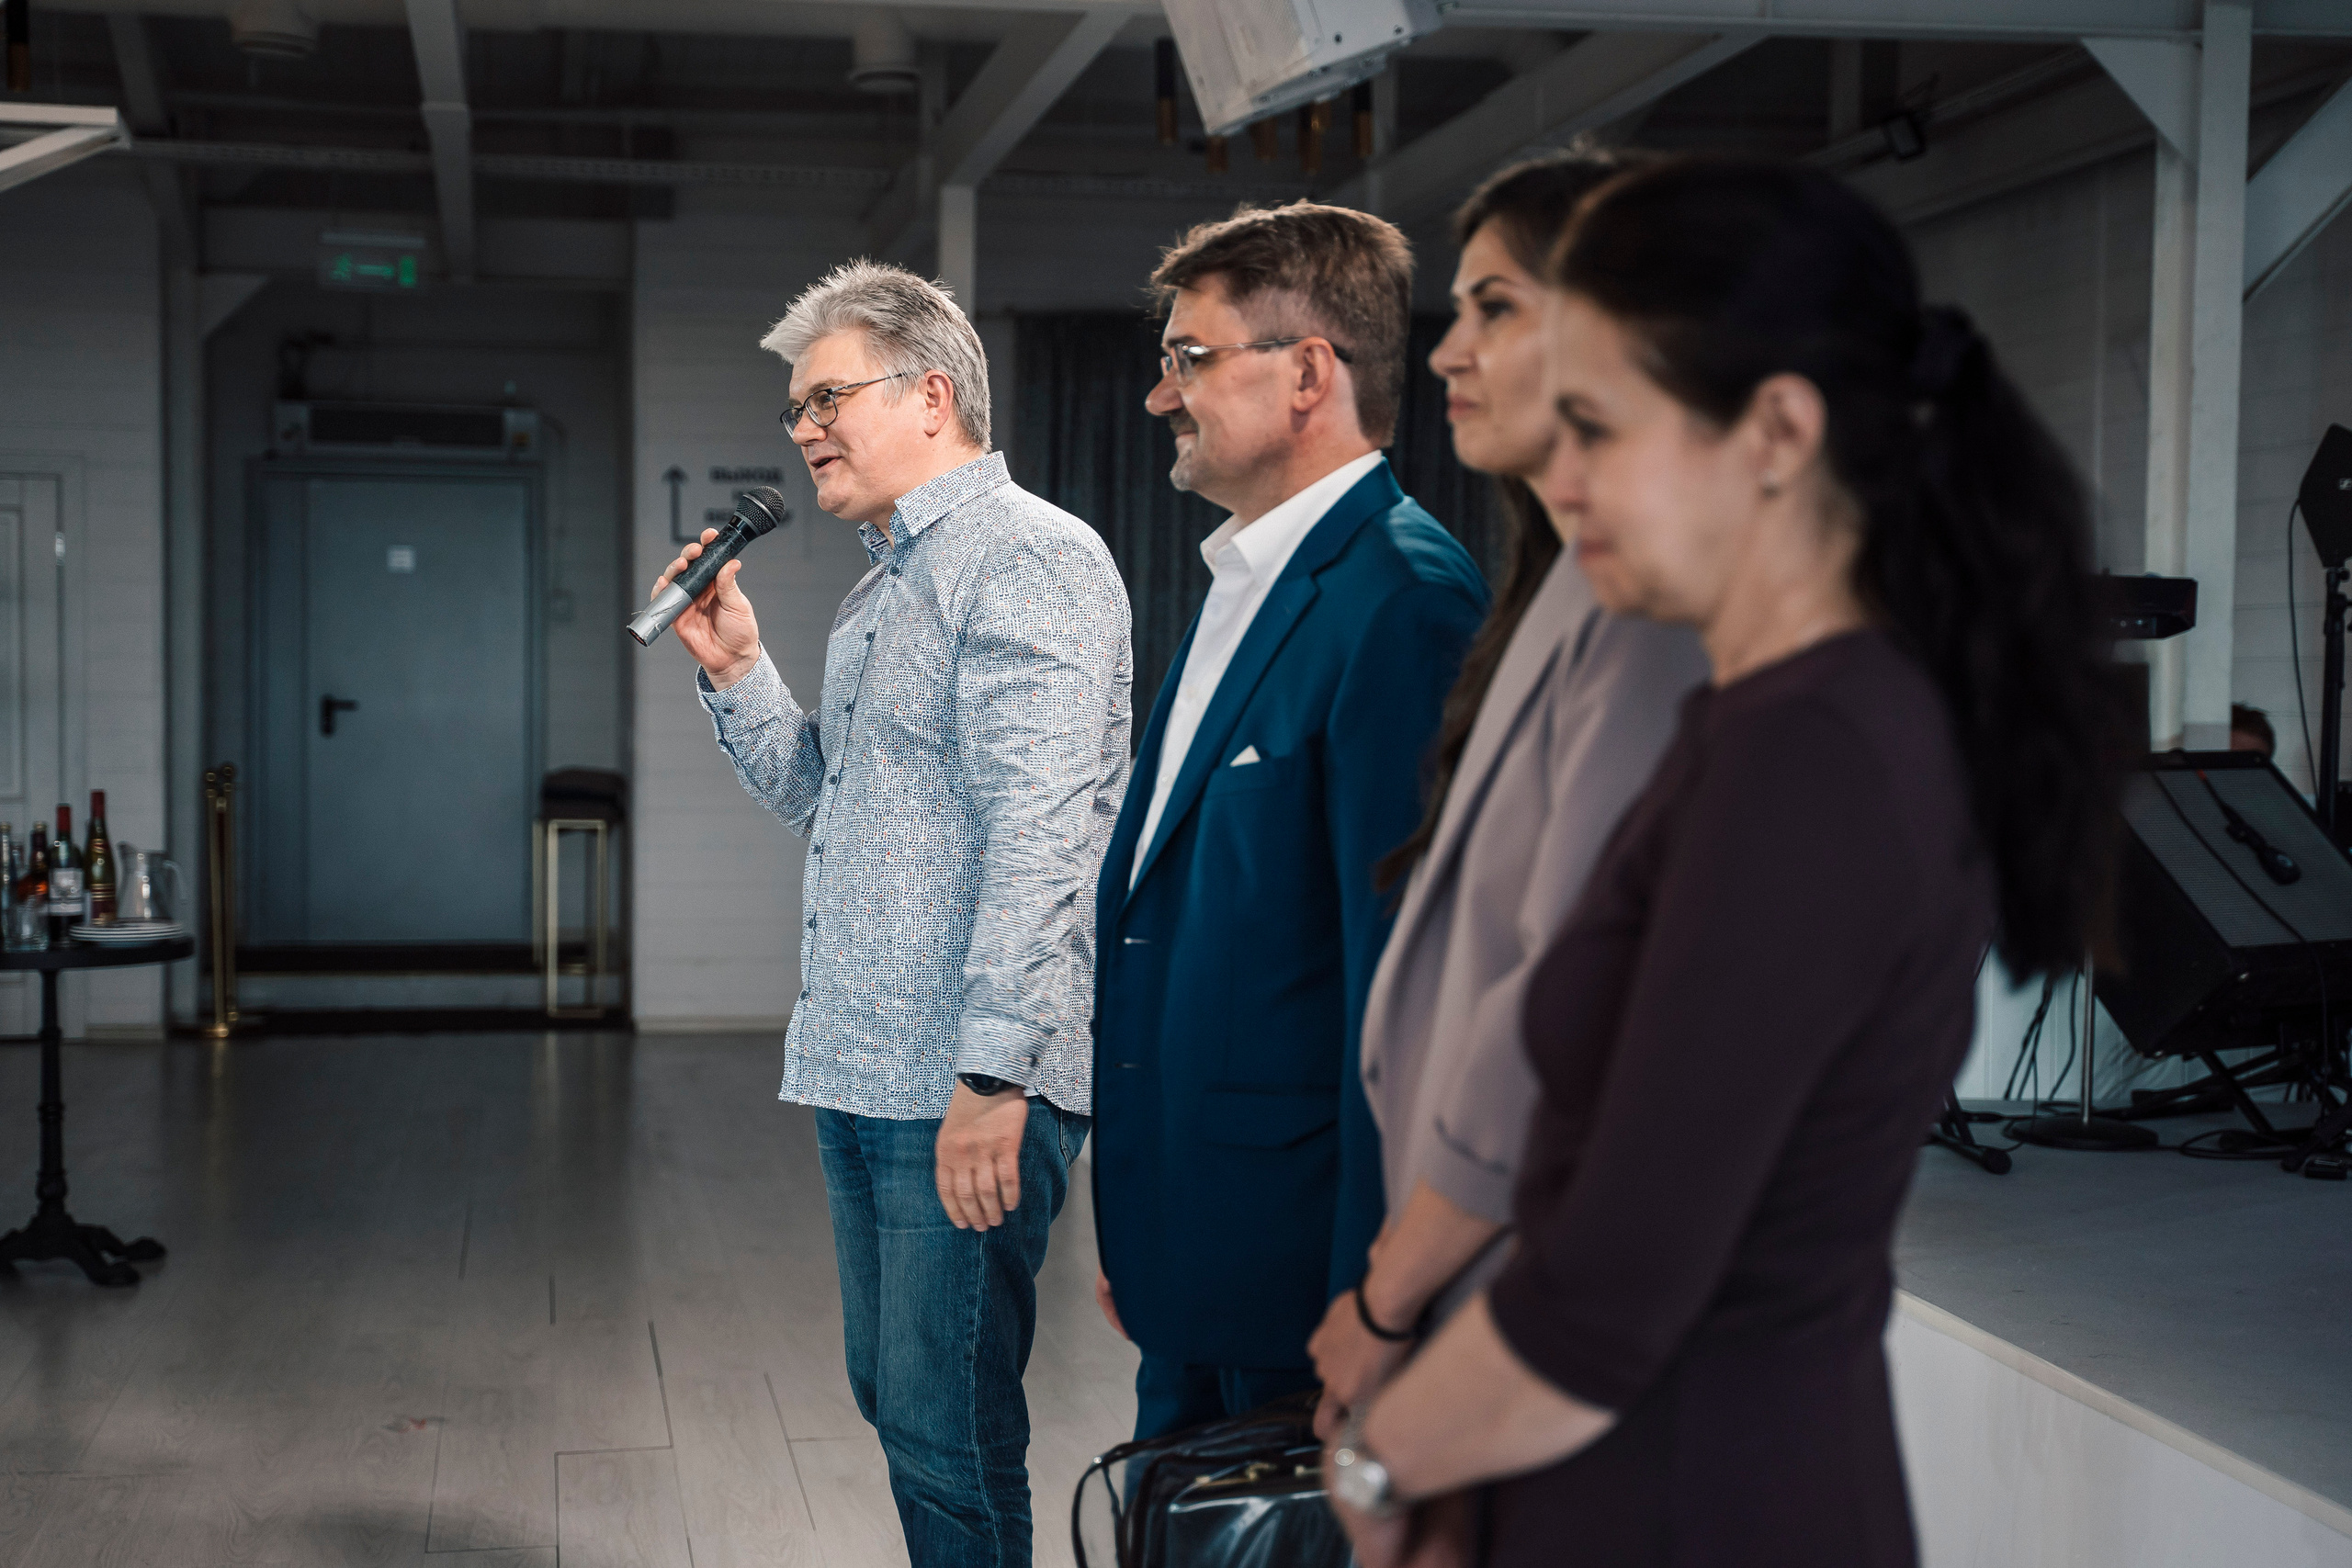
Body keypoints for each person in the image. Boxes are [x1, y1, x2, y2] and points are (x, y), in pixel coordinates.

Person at [1323, 157, 2120, 1567]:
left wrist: (1383, 1472)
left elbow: (1611, 1290)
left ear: (1774, 432)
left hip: (1697, 1503)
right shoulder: (1764, 721)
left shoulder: (1811, 757)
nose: (1561, 480)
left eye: (1601, 430)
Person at [652, 260, 1132, 1568]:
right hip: (867, 1070)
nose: (803, 428)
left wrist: (994, 1070)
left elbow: (1046, 837)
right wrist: (742, 669)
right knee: (900, 1399)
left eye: (826, 398)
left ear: (932, 394)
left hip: (959, 1080)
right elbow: (826, 796)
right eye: (795, 408)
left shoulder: (1028, 558)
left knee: (946, 1423)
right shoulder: (888, 588)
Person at [1305, 155, 1710, 1444]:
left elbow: (1563, 1008)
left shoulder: (1649, 614)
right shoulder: (1558, 592)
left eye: (1496, 308)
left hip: (1532, 1288)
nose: (1443, 354)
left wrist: (1385, 1298)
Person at [1089, 203, 1488, 1438]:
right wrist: (1147, 1217)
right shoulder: (1241, 581)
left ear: (1309, 371)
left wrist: (1373, 1298)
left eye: (1190, 359)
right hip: (1195, 1251)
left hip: (1307, 1293)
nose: (1162, 397)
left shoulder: (1403, 603)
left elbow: (1408, 996)